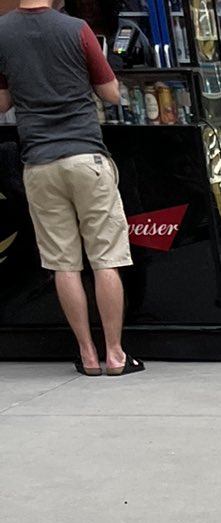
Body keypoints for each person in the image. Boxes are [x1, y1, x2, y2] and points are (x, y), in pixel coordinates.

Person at [0, 0, 141, 376]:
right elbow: (111, 93)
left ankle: (87, 355)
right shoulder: (76, 29)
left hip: (40, 163)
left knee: (63, 264)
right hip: (86, 156)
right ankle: (115, 354)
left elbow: (2, 102)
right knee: (105, 257)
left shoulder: (2, 33)